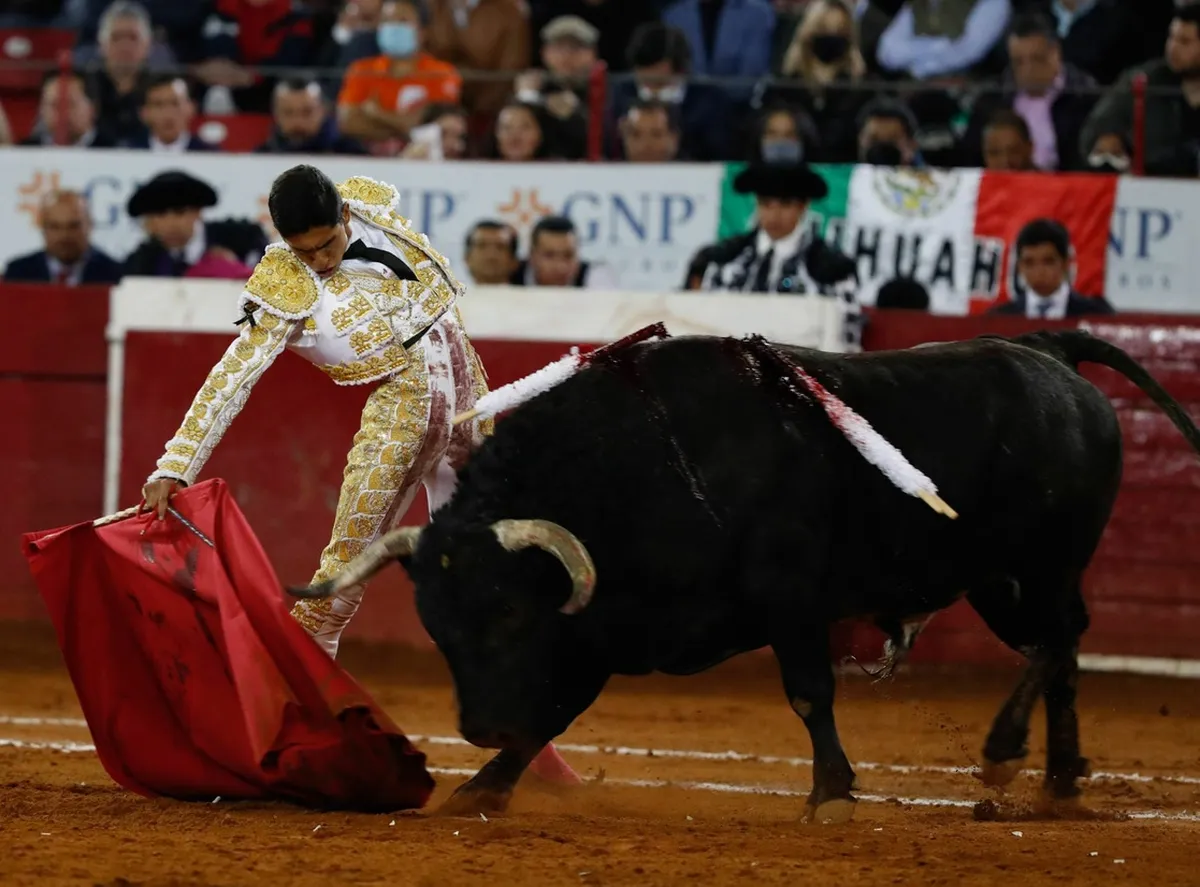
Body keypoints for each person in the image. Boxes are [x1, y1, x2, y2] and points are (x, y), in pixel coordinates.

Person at [138, 165, 580, 786]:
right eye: (303, 250)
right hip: (402, 419)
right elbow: (231, 375)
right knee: (335, 588)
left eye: (326, 244)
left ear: (345, 216)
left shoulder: (371, 202)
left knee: (491, 585)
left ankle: (535, 758)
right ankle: (281, 746)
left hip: (469, 403)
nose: (317, 261)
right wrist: (175, 464)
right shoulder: (284, 286)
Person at [686, 161, 862, 348]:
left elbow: (847, 335)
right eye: (765, 204)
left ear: (803, 207)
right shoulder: (725, 258)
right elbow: (702, 323)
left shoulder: (831, 267)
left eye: (785, 205)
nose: (774, 215)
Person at [123, 171, 268, 278]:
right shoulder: (143, 262)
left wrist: (238, 267)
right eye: (160, 215)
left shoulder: (241, 239)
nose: (170, 224)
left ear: (198, 212)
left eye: (179, 212)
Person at [988, 218, 1115, 318]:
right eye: (1029, 262)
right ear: (1019, 267)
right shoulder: (1000, 318)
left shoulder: (1096, 314)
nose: (1039, 271)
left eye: (1048, 262)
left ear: (1066, 264)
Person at [2, 190, 123, 285]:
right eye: (55, 226)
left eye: (74, 226)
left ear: (90, 226)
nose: (64, 235)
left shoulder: (115, 275)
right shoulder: (18, 273)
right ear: (43, 229)